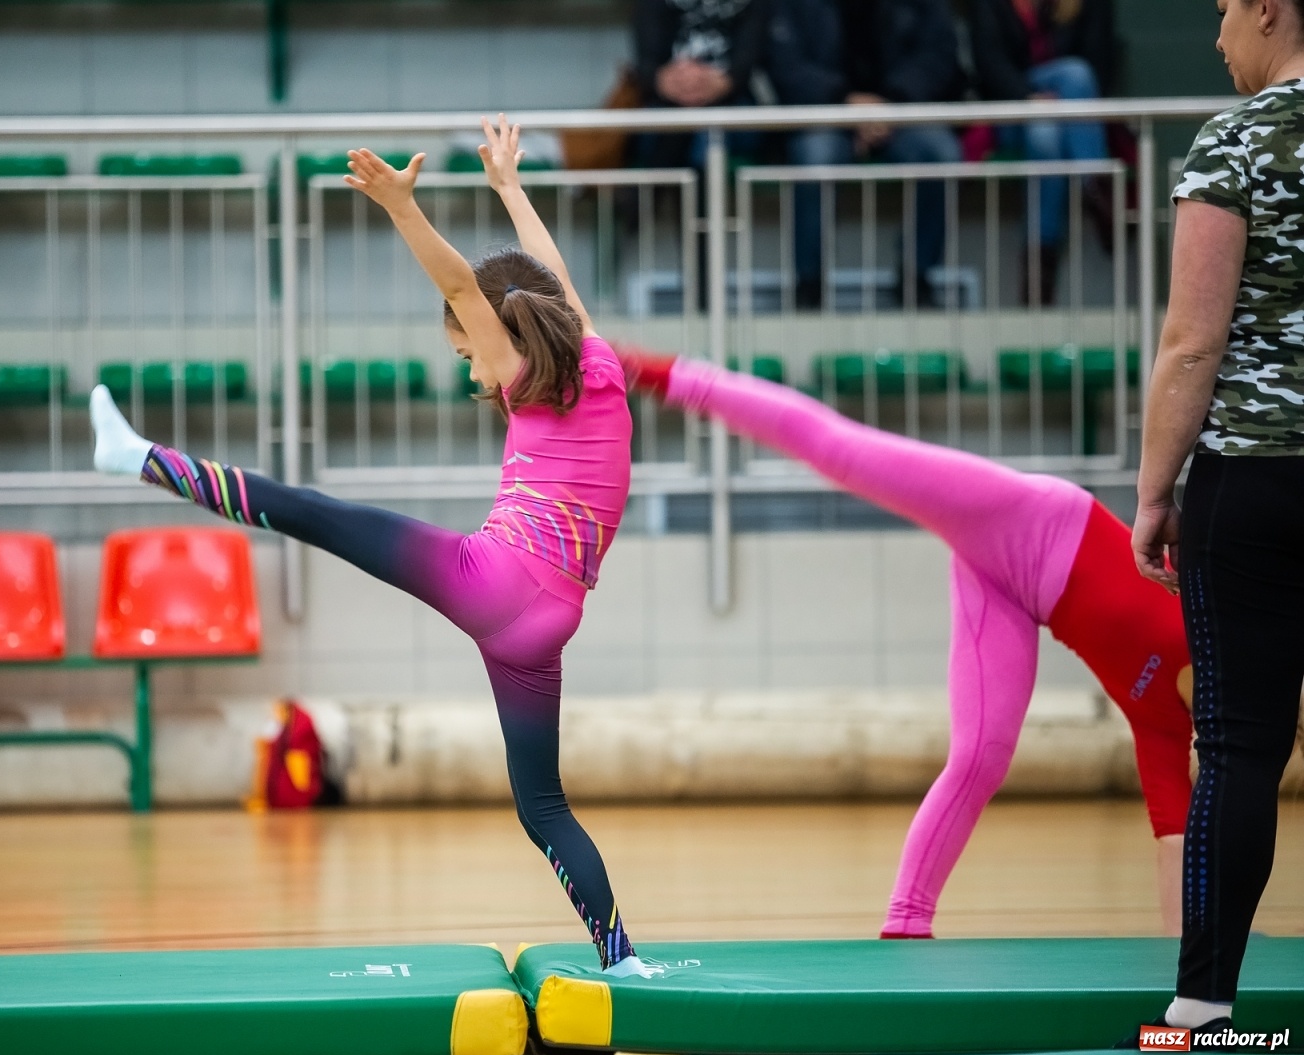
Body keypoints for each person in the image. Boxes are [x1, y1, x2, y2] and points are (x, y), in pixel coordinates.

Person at [91, 118, 660, 979]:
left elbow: (466, 286)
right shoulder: (596, 359)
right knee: (543, 808)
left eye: (466, 350)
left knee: (311, 512)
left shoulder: (525, 375)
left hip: (494, 583)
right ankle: (620, 961)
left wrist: (402, 208)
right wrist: (508, 188)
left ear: (497, 336)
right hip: (551, 623)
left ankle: (139, 459)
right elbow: (552, 277)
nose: (470, 369)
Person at [621, 349, 1195, 938]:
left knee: (979, 761)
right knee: (838, 450)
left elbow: (1174, 843)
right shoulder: (1208, 618)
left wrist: (1195, 972)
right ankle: (660, 373)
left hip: (1010, 592)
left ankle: (904, 926)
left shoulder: (1164, 731)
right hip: (1025, 519)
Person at [1130, 0, 1304, 1040]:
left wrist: (1154, 494)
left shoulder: (1235, 141)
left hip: (1256, 483)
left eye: (1227, 13)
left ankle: (1203, 1002)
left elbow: (1191, 342)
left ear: (1271, 12)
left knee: (1239, 746)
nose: (1216, 37)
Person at [765, 0, 966, 309]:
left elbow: (940, 54)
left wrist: (890, 103)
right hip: (825, 111)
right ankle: (809, 284)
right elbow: (785, 65)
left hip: (900, 111)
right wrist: (845, 101)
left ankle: (917, 277)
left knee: (940, 154)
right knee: (815, 157)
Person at [969, 0, 1117, 305]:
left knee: (1047, 128)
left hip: (1066, 114)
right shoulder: (990, 6)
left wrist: (1052, 105)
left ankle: (1039, 275)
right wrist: (1028, 98)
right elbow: (989, 64)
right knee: (1070, 80)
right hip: (1010, 108)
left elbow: (1099, 67)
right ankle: (1096, 189)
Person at [629, 0, 769, 171]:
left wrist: (721, 83)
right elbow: (647, 64)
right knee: (689, 128)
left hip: (733, 100)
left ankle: (643, 193)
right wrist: (672, 83)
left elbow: (746, 62)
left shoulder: (753, 6)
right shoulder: (652, 6)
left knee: (704, 135)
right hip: (665, 100)